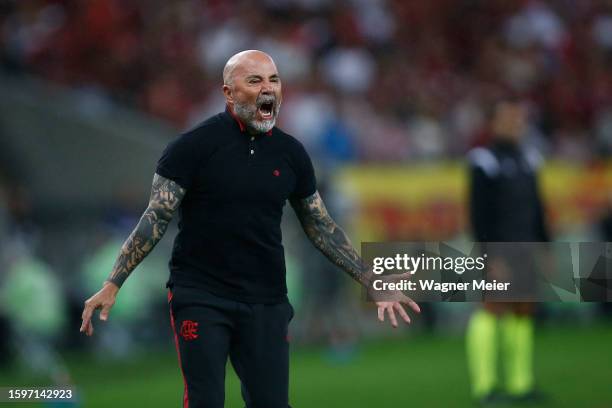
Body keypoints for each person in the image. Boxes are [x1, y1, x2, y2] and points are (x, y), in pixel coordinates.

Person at [80, 50, 419, 408]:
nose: (267, 88)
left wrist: (370, 278)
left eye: (273, 80)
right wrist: (113, 282)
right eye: (254, 80)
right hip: (202, 297)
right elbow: (155, 217)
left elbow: (321, 226)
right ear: (228, 92)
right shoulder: (191, 148)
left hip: (266, 301)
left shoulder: (291, 154)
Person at [466, 97, 549, 404]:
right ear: (494, 123)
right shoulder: (484, 160)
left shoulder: (529, 158)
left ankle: (520, 383)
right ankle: (485, 386)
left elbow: (538, 208)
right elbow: (478, 213)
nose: (516, 124)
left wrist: (545, 246)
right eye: (509, 119)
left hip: (526, 245)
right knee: (492, 309)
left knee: (523, 311)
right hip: (499, 250)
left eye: (519, 119)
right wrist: (489, 255)